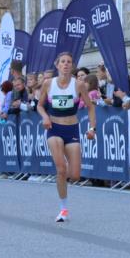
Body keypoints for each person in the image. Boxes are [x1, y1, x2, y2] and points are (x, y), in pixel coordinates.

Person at [38, 52, 97, 222]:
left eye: (69, 62)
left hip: (72, 129)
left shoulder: (79, 85)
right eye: (62, 62)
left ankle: (64, 184)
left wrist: (92, 128)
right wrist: (45, 117)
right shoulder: (48, 83)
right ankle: (63, 209)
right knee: (61, 169)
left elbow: (91, 108)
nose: (65, 64)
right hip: (54, 129)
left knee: (75, 175)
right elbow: (40, 106)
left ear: (72, 66)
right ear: (57, 65)